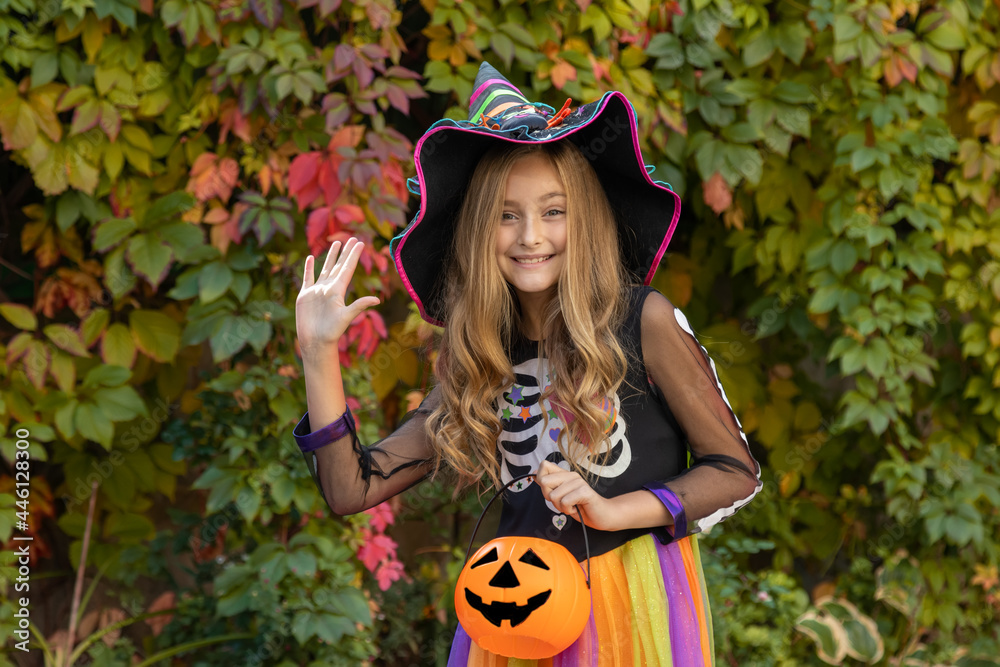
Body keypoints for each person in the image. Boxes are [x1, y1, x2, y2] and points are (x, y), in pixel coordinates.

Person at [293, 62, 762, 666]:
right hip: (514, 611)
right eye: (505, 215)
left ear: (585, 217)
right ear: (477, 230)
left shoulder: (642, 320)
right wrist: (318, 353)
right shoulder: (481, 354)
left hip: (626, 609)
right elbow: (349, 488)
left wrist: (617, 509)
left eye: (554, 211)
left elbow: (734, 471)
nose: (530, 236)